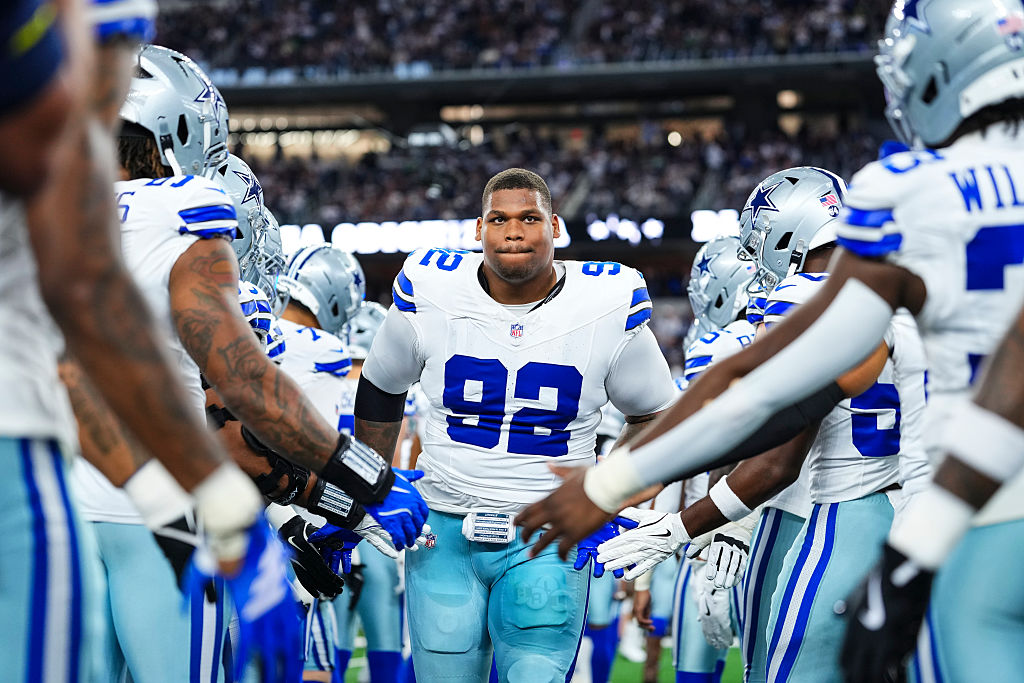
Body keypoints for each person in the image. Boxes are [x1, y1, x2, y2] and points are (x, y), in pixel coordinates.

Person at [517, 1, 1024, 680]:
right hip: (938, 502)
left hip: (933, 519)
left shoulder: (909, 195)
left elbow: (767, 396)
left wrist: (617, 483)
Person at [353, 168, 678, 682]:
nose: (513, 232)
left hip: (547, 531)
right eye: (498, 219)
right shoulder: (432, 289)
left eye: (529, 218)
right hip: (443, 528)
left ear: (555, 226)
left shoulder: (606, 302)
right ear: (478, 229)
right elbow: (380, 388)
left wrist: (605, 493)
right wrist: (369, 486)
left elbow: (658, 416)